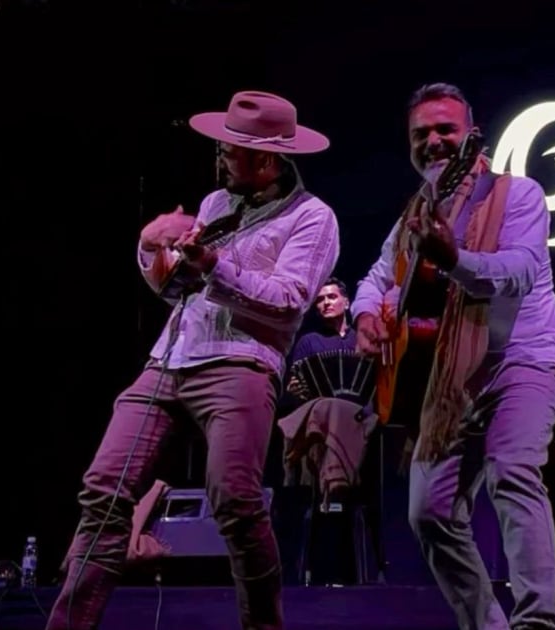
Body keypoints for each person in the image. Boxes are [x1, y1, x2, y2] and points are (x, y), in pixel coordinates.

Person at [45, 90, 339, 630]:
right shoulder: (215, 204)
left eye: (229, 150)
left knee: (236, 501)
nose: (220, 158)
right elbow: (173, 288)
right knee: (103, 489)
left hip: (241, 362)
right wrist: (150, 245)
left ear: (267, 158)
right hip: (171, 358)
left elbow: (289, 301)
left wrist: (213, 263)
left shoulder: (313, 218)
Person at [352, 82, 555, 630]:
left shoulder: (517, 194)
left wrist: (454, 260)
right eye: (421, 134)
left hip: (525, 359)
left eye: (444, 130)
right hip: (451, 381)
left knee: (512, 469)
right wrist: (364, 316)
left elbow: (519, 273)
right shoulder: (413, 219)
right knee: (428, 512)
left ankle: (537, 623)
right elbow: (375, 280)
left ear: (471, 135)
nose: (433, 141)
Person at [277, 276, 377, 505]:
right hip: (320, 417)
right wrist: (296, 389)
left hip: (361, 413)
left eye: (332, 297)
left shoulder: (362, 338)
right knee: (323, 413)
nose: (326, 303)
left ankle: (338, 493)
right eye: (320, 300)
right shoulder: (309, 342)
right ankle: (330, 493)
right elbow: (295, 388)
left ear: (347, 302)